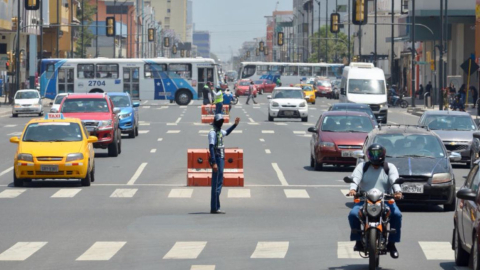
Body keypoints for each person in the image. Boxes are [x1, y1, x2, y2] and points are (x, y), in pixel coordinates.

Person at [347, 144, 403, 259]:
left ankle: (392, 244)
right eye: (372, 154)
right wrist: (352, 189)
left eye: (378, 154)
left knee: (397, 214)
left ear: (383, 155)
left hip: (385, 199)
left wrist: (397, 191)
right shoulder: (362, 166)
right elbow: (355, 178)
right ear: (368, 155)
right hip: (364, 199)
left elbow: (394, 180)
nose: (375, 157)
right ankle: (358, 240)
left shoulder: (389, 167)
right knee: (353, 214)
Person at [208, 114, 240, 214]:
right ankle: (215, 207)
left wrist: (235, 125)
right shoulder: (212, 133)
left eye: (222, 121)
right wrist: (213, 162)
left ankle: (215, 206)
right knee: (216, 183)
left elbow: (227, 132)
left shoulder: (219, 131)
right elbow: (211, 148)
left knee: (219, 182)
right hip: (217, 158)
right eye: (220, 121)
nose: (221, 123)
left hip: (221, 158)